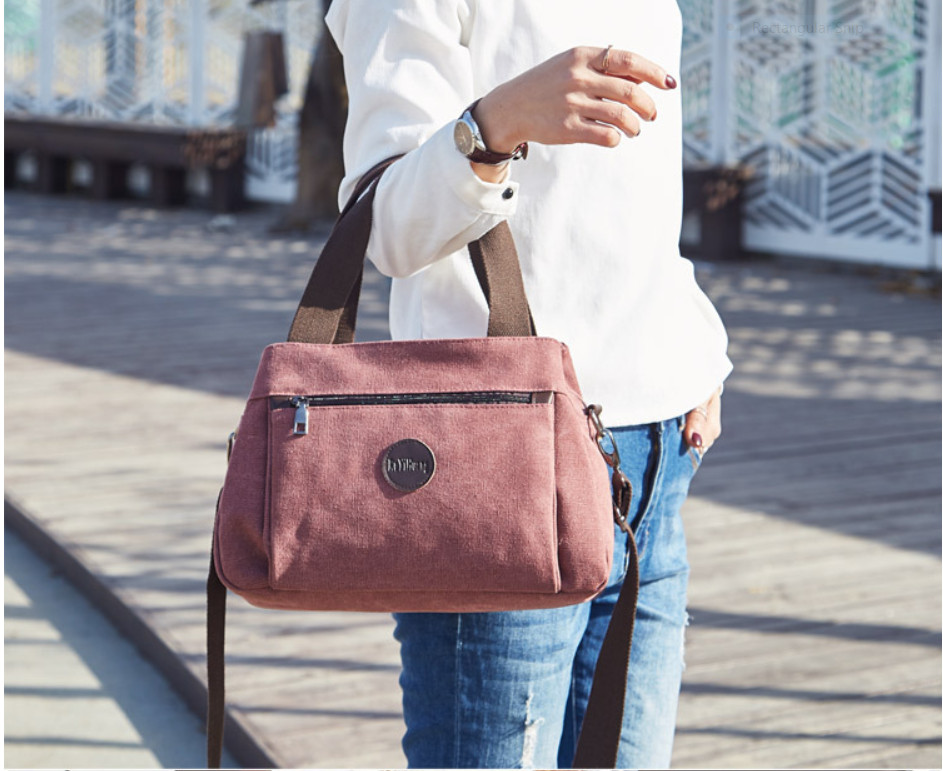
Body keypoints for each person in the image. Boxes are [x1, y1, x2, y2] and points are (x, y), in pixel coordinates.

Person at [324, 2, 732, 768]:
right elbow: (384, 229)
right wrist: (496, 121)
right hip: (497, 460)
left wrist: (695, 343)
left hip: (655, 457)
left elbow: (627, 204)